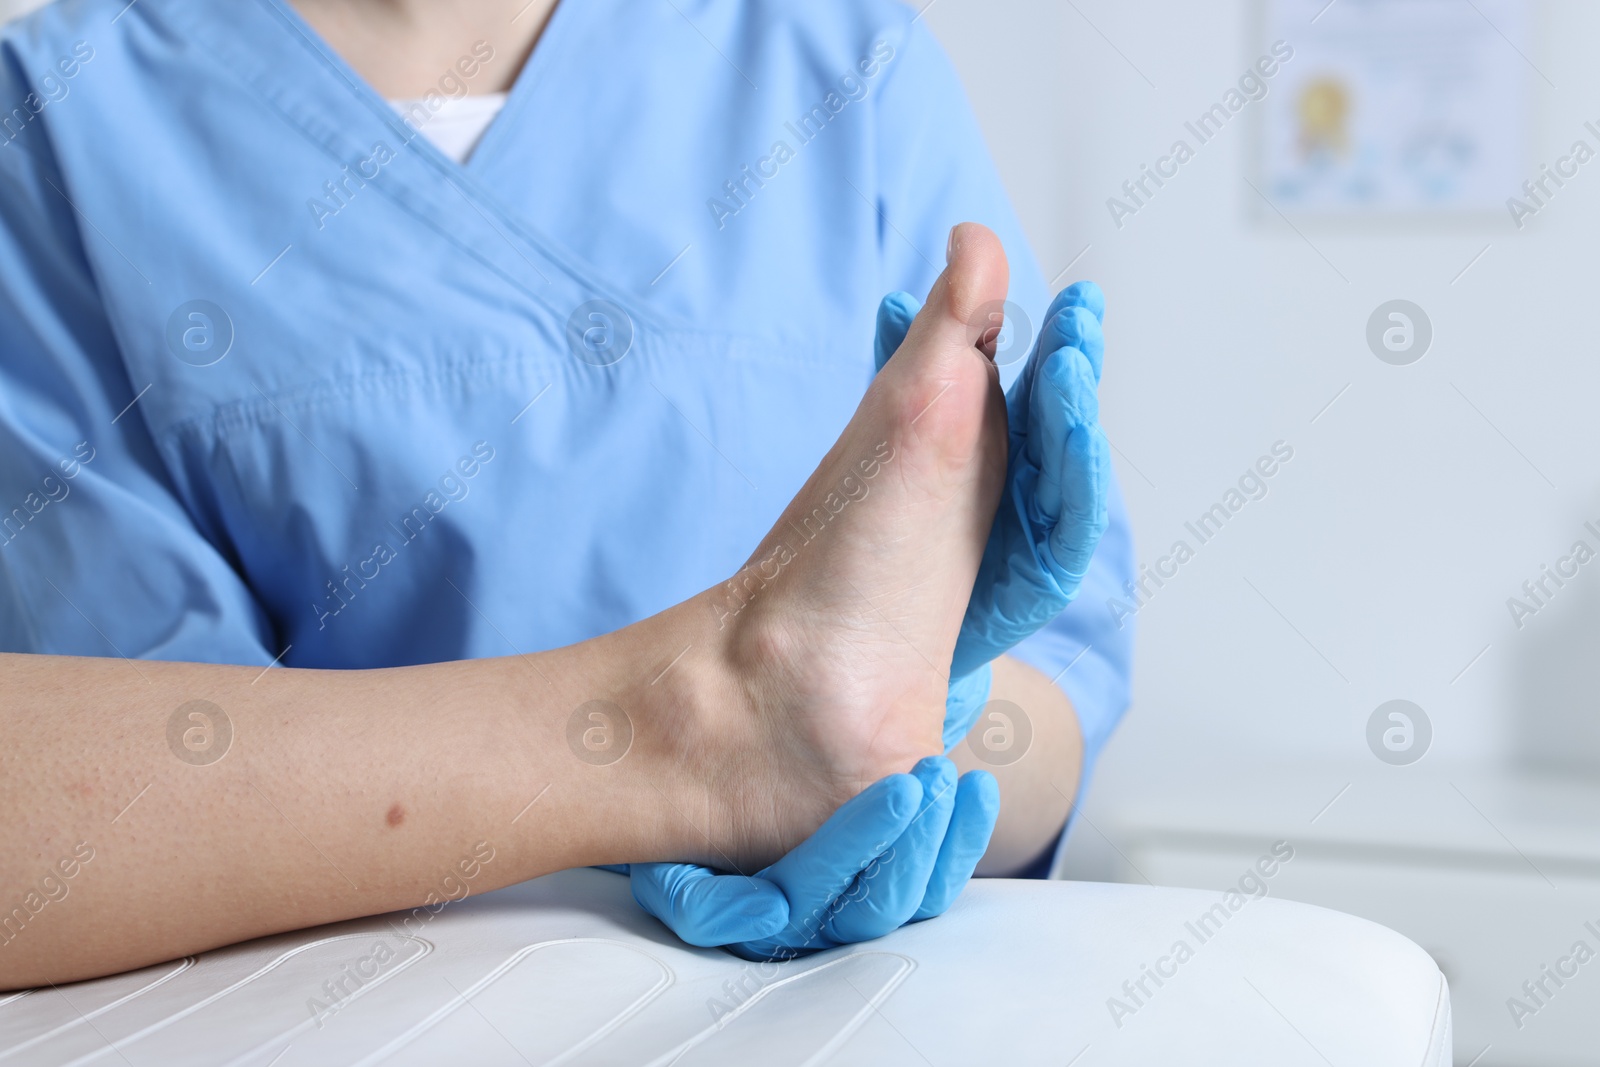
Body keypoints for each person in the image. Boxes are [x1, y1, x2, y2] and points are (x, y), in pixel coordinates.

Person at [0, 0, 1133, 988]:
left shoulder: (840, 53)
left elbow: (1060, 684)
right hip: (370, 1013)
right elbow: (139, 789)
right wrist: (691, 745)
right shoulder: (58, 124)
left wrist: (906, 730)